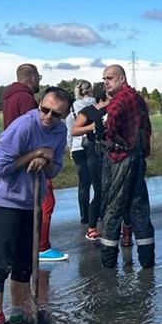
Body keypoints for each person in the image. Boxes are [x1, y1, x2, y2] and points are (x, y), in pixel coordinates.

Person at [0, 85, 73, 324]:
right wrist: (35, 153)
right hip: (5, 199)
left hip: (31, 201)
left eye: (56, 114)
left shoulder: (60, 131)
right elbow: (1, 169)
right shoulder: (22, 127)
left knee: (24, 265)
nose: (48, 117)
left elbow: (54, 170)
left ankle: (16, 319)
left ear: (64, 115)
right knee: (1, 262)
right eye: (44, 110)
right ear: (38, 106)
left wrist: (46, 161)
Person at [2, 63, 66, 261]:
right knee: (45, 202)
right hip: (33, 160)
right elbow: (37, 131)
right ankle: (41, 246)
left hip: (17, 156)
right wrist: (41, 155)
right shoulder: (27, 100)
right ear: (33, 78)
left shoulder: (8, 96)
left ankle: (27, 244)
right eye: (38, 77)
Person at [99, 64, 155, 268]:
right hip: (137, 157)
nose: (106, 82)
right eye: (104, 79)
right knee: (139, 209)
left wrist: (105, 133)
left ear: (122, 79)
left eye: (110, 78)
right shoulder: (137, 98)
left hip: (121, 158)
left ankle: (108, 266)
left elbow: (110, 125)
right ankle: (147, 263)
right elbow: (147, 128)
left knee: (112, 210)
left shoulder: (121, 99)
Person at [69, 83, 107, 241]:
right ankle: (91, 224)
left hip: (86, 149)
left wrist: (70, 147)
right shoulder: (90, 110)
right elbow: (74, 129)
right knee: (98, 188)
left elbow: (70, 130)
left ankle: (88, 219)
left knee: (90, 185)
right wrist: (93, 126)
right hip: (92, 151)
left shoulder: (76, 107)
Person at [65, 80, 95, 227]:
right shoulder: (96, 103)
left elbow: (69, 130)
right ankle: (97, 211)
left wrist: (71, 148)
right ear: (91, 89)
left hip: (77, 146)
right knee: (98, 180)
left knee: (83, 182)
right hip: (93, 145)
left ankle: (84, 216)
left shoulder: (73, 108)